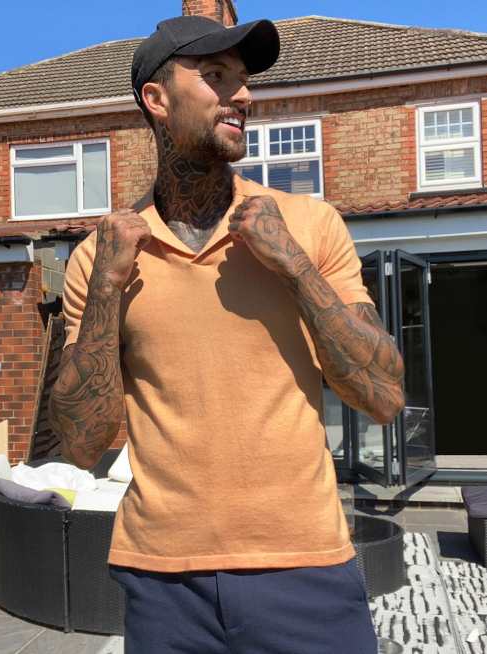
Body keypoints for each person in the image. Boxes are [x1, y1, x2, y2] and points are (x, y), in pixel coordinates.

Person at [49, 14, 405, 654]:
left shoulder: (308, 224)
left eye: (243, 79)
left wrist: (292, 264)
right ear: (156, 99)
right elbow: (80, 443)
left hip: (305, 568)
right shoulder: (101, 257)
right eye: (215, 76)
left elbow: (382, 396)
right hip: (163, 583)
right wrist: (105, 288)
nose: (242, 94)